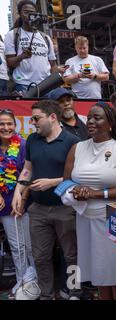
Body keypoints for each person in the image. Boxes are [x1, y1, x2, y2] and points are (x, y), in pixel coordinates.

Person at [62, 102, 116, 300]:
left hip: (113, 220)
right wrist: (75, 192)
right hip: (85, 220)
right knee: (99, 276)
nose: (90, 121)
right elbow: (65, 183)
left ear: (110, 124)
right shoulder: (77, 148)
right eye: (89, 117)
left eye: (97, 118)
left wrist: (95, 194)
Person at [11, 100, 80, 300]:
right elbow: (28, 168)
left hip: (65, 208)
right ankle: (46, 294)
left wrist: (52, 182)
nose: (33, 122)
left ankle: (74, 291)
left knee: (72, 255)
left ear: (52, 117)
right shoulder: (32, 139)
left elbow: (79, 175)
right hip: (38, 208)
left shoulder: (72, 142)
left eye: (36, 118)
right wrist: (18, 190)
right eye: (32, 118)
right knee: (40, 257)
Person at [0, 109, 37, 299]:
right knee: (16, 246)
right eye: (1, 124)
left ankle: (35, 281)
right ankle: (22, 280)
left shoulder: (23, 145)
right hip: (4, 207)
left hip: (24, 202)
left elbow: (29, 174)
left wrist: (22, 201)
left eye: (9, 124)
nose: (6, 128)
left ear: (15, 125)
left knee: (30, 246)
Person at [4, 0, 58, 94]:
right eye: (26, 12)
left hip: (46, 85)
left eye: (33, 13)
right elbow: (9, 63)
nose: (30, 15)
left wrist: (55, 83)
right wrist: (21, 57)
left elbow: (53, 64)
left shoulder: (46, 38)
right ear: (19, 14)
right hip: (23, 85)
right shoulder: (12, 35)